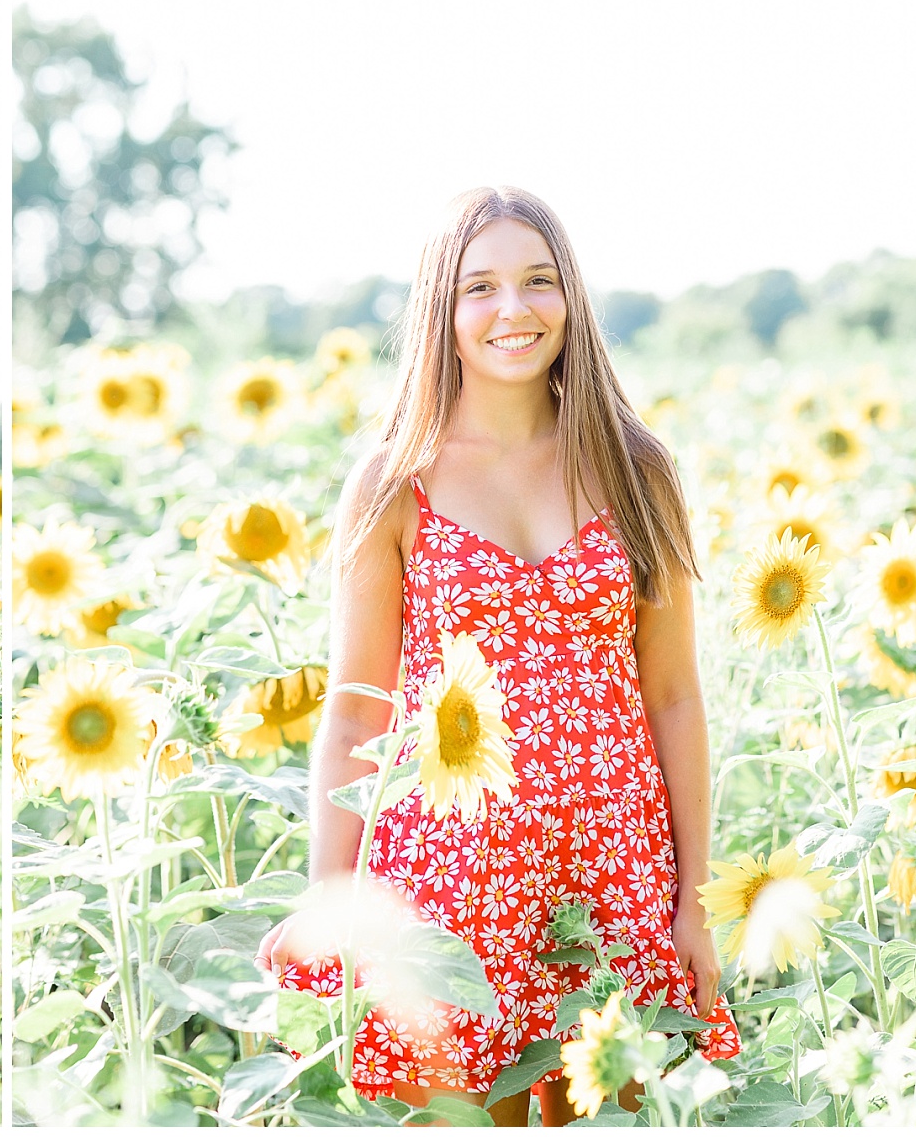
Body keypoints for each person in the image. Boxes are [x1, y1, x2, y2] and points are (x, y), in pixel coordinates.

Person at [257, 187, 741, 1125]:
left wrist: (696, 898)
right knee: (459, 1113)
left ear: (573, 300)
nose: (513, 310)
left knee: (623, 1106)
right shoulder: (396, 478)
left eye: (537, 281)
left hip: (618, 872)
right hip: (450, 884)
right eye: (480, 287)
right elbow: (359, 708)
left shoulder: (639, 469)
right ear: (444, 309)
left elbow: (675, 697)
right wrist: (332, 900)